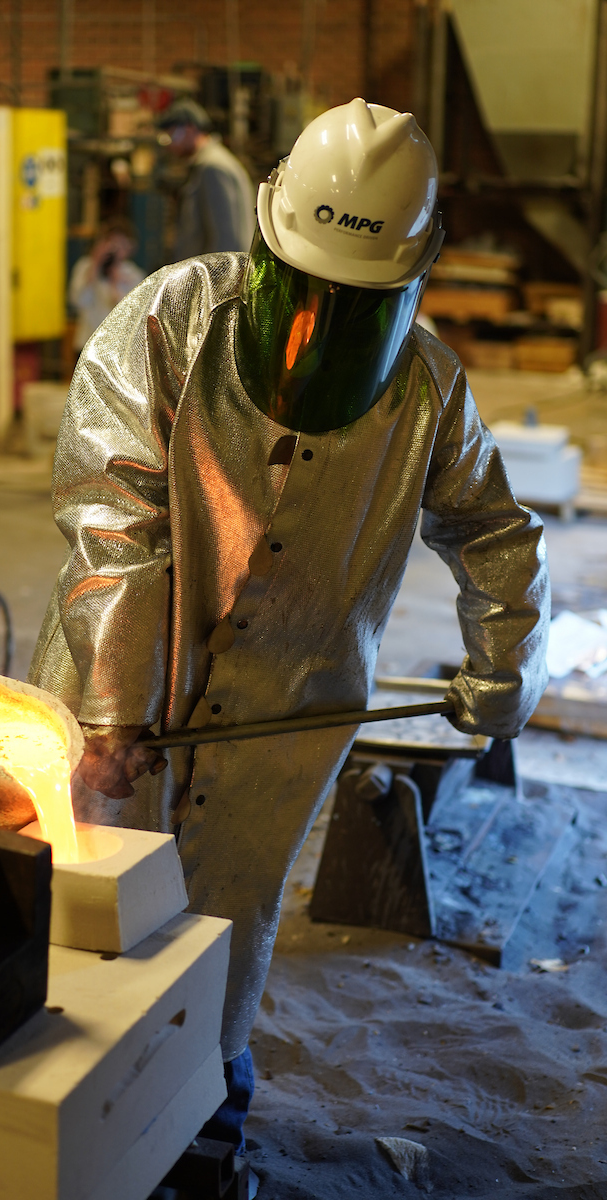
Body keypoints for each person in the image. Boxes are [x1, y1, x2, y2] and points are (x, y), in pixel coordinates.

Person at [29, 98, 550, 1153]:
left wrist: (506, 668)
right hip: (114, 688)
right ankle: (55, 1125)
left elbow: (495, 529)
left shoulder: (427, 391)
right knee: (80, 914)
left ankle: (207, 1107)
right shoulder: (172, 318)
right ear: (266, 237)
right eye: (303, 290)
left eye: (353, 303)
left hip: (282, 713)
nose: (317, 324)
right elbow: (112, 510)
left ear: (407, 283)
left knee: (227, 907)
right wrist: (118, 703)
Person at [158, 97, 256, 260]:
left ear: (189, 129)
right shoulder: (210, 163)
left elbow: (225, 238)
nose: (170, 145)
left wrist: (217, 283)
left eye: (173, 136)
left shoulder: (212, 167)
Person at [68, 217, 145, 354]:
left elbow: (130, 314)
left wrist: (115, 282)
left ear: (130, 248)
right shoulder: (85, 267)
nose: (115, 250)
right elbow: (78, 301)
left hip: (118, 347)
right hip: (87, 342)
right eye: (111, 243)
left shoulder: (133, 275)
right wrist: (95, 265)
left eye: (121, 244)